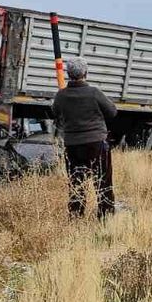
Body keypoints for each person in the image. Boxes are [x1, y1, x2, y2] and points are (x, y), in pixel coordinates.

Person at [50, 57, 117, 218]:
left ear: (68, 74)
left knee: (76, 182)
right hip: (96, 144)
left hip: (72, 146)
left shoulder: (61, 95)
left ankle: (76, 216)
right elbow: (112, 112)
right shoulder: (94, 93)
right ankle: (105, 217)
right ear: (86, 73)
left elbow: (54, 113)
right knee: (103, 181)